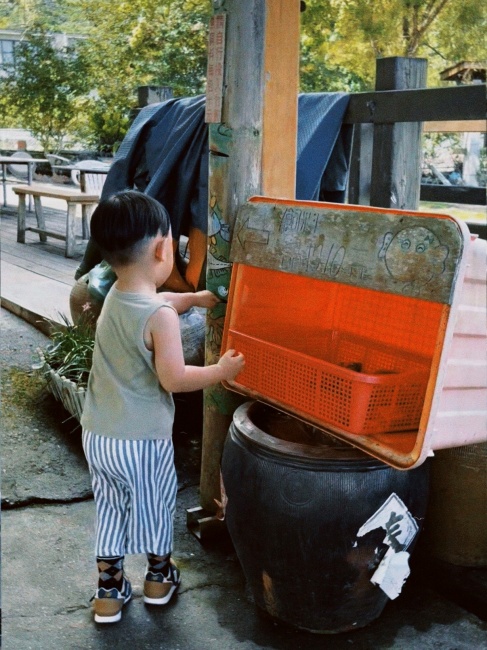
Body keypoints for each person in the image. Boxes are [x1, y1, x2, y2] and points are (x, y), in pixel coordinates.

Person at [80, 190, 245, 624]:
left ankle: (109, 591)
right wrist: (220, 370)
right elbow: (174, 378)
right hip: (143, 440)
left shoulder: (115, 294)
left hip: (99, 434)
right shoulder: (160, 317)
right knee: (154, 505)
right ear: (162, 248)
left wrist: (193, 298)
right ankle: (157, 579)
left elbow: (155, 302)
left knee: (112, 506)